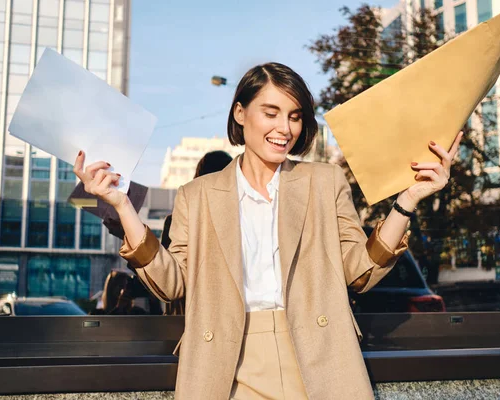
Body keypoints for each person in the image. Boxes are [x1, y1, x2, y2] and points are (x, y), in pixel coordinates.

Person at [74, 62, 462, 399]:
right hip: (225, 364)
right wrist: (123, 205)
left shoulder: (324, 182)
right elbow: (173, 283)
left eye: (294, 116)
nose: (284, 128)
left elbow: (358, 271)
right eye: (271, 112)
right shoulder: (198, 195)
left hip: (318, 356)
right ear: (240, 114)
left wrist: (407, 200)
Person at [160, 150, 233, 316]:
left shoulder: (177, 220)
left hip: (182, 317)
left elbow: (165, 276)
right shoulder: (237, 220)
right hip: (221, 316)